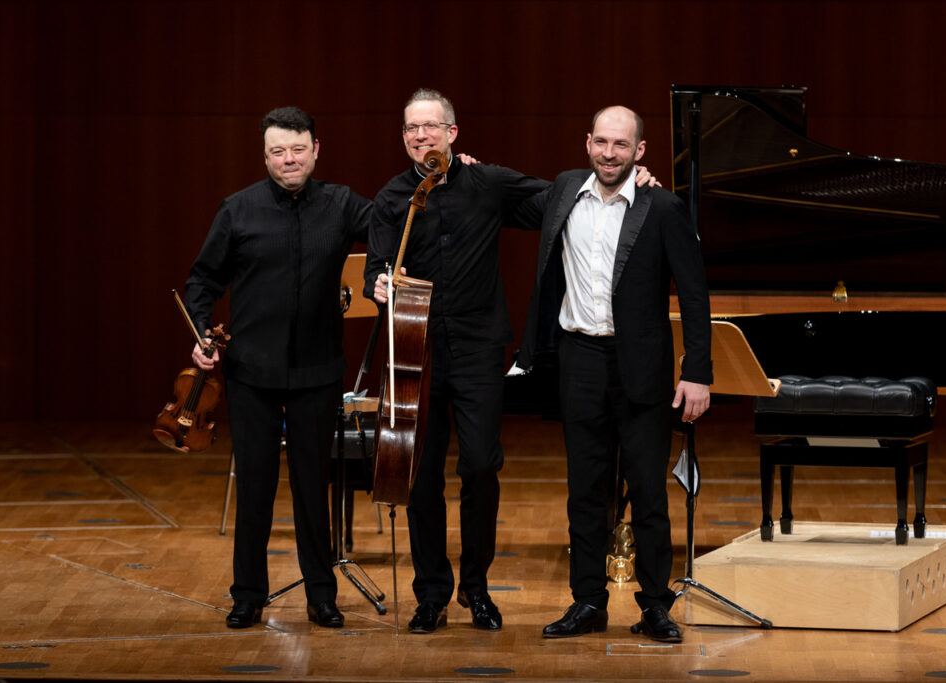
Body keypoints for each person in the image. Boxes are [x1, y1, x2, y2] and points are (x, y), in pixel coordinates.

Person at [363, 90, 656, 634]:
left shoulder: (487, 182)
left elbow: (565, 197)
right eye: (411, 129)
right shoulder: (391, 198)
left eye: (431, 127)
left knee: (480, 465)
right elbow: (377, 267)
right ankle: (431, 594)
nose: (421, 136)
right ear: (404, 137)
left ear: (452, 133)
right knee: (421, 475)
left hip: (478, 348)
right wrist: (378, 283)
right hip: (414, 348)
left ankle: (476, 589)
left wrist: (631, 182)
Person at [514, 106, 712, 642]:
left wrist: (697, 371)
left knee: (648, 492)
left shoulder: (663, 207)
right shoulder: (564, 191)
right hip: (579, 360)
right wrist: (461, 164)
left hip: (642, 366)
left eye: (621, 145)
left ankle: (655, 606)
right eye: (601, 142)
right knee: (585, 491)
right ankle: (587, 602)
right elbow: (505, 196)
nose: (609, 153)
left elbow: (694, 295)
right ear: (587, 142)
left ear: (640, 151)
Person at [185, 106, 370, 630]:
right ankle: (248, 595)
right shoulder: (237, 210)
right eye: (277, 151)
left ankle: (321, 596)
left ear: (316, 150)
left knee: (313, 488)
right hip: (252, 374)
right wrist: (201, 331)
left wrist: (445, 175)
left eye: (297, 149)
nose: (288, 159)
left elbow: (395, 224)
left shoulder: (342, 204)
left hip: (317, 372)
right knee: (256, 487)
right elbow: (202, 281)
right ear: (265, 156)